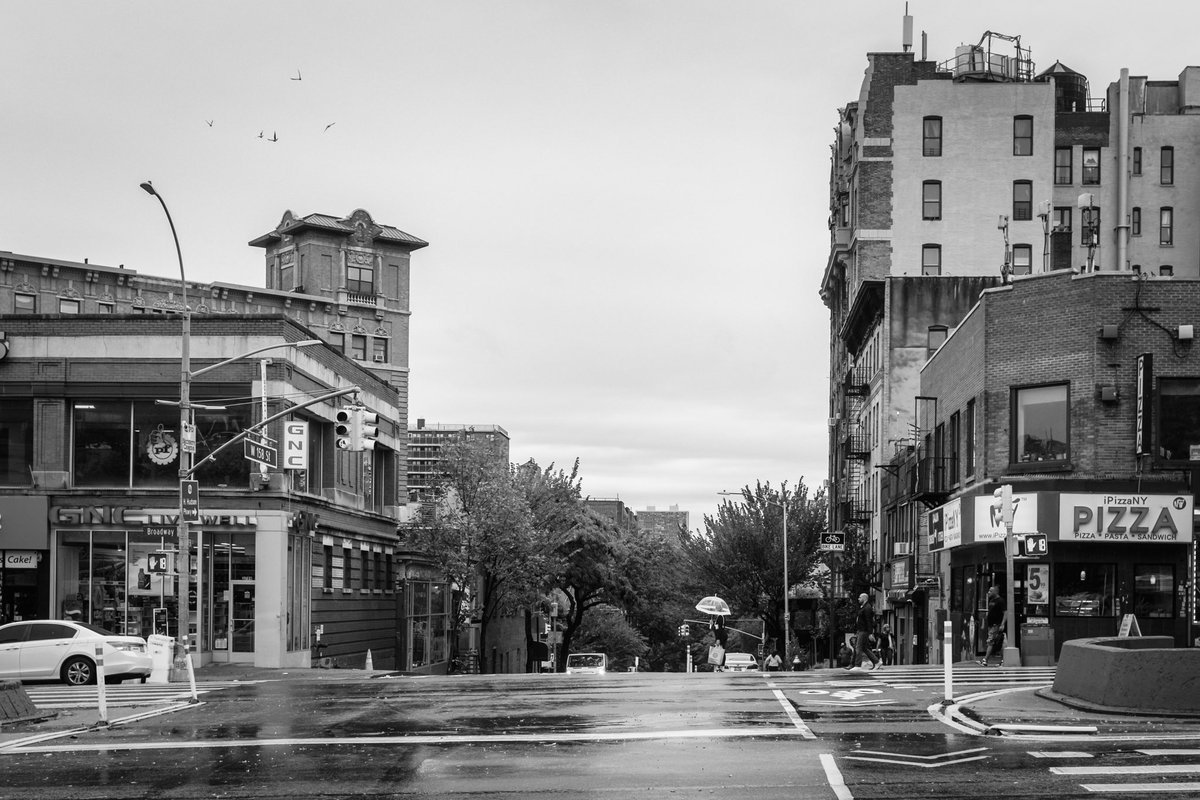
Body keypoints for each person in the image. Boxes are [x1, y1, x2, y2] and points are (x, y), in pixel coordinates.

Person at [847, 592, 881, 671]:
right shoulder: (864, 607)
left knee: (858, 647)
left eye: (860, 597)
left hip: (863, 630)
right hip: (861, 630)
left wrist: (870, 633)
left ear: (864, 598)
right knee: (864, 648)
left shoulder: (867, 608)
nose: (858, 599)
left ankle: (858, 665)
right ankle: (876, 662)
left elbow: (869, 621)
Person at [979, 585, 1006, 666]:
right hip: (991, 624)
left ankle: (985, 660)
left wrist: (1002, 624)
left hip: (996, 625)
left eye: (991, 591)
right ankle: (1003, 660)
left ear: (996, 591)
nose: (988, 592)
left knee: (990, 642)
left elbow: (1006, 612)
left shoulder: (1000, 601)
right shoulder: (991, 600)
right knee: (997, 643)